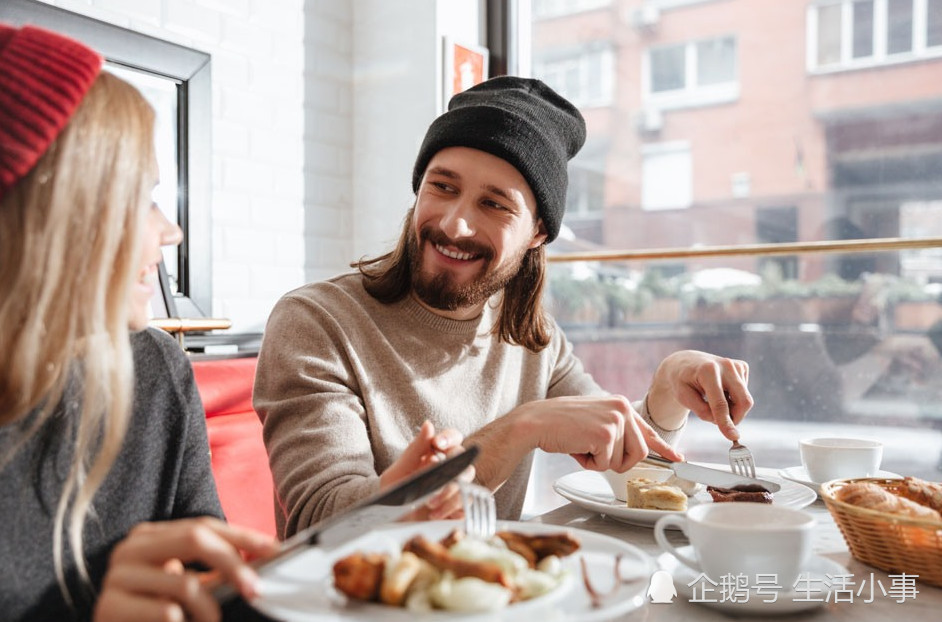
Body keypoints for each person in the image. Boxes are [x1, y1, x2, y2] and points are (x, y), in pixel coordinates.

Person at [254, 76, 753, 538]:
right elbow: (320, 526)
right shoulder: (316, 322)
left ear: (537, 233)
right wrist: (520, 429)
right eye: (442, 186)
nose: (456, 224)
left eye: (494, 204)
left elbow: (624, 452)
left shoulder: (535, 341)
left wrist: (669, 384)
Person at [0, 24, 278, 622]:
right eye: (141, 198)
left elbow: (222, 593)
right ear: (53, 215)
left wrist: (376, 538)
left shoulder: (153, 368)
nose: (169, 231)